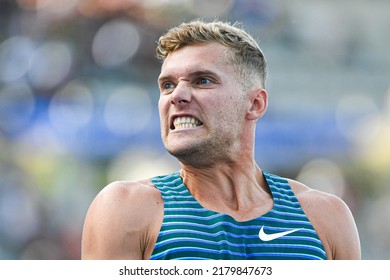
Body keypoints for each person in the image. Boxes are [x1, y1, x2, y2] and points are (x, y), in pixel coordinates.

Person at [81, 20, 361, 260]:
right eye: (167, 85)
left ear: (254, 104)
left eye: (202, 80)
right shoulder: (126, 208)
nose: (176, 95)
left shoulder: (326, 217)